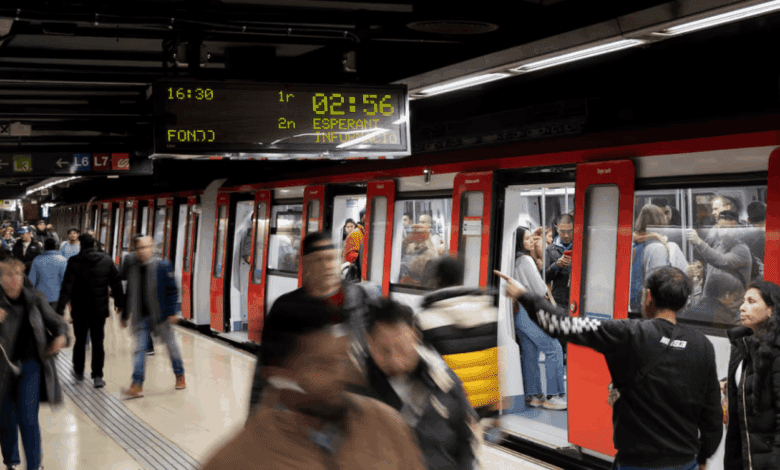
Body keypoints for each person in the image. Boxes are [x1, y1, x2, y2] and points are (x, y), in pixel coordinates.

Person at [496, 266, 723, 470]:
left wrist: (523, 295)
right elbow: (712, 413)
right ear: (684, 302)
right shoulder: (701, 345)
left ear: (649, 297)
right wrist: (703, 457)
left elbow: (561, 324)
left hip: (637, 462)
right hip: (686, 461)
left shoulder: (629, 333)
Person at [200, 299, 426, 470]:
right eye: (324, 365)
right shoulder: (238, 461)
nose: (346, 375)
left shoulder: (387, 424)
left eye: (344, 357)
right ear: (280, 377)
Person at [248, 231, 379, 413]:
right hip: (306, 409)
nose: (327, 265)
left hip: (354, 407)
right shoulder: (286, 309)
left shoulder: (359, 298)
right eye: (318, 260)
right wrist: (255, 415)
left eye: (331, 258)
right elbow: (265, 368)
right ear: (306, 265)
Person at [350, 296, 482, 470]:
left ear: (415, 337)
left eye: (402, 350)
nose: (396, 361)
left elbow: (467, 442)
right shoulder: (354, 388)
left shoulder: (444, 382)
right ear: (369, 342)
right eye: (384, 351)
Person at [0, 257, 69, 470]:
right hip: (2, 368)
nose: (15, 280)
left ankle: (34, 465)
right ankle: (11, 459)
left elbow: (57, 321)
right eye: (9, 275)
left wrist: (61, 335)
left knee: (28, 417)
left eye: (18, 275)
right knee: (5, 418)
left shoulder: (34, 299)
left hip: (31, 364)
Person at [119, 235, 185, 398]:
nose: (142, 251)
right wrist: (125, 315)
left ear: (152, 247)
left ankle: (179, 374)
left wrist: (172, 312)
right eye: (139, 248)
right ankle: (136, 385)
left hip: (161, 316)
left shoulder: (162, 265)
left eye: (145, 247)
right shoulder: (133, 268)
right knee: (139, 349)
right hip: (141, 316)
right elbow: (130, 293)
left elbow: (173, 290)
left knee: (172, 347)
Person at [56, 233, 125, 388]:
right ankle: (98, 376)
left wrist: (60, 309)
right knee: (98, 342)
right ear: (94, 243)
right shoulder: (106, 260)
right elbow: (116, 282)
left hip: (79, 308)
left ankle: (78, 371)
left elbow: (67, 287)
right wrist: (120, 303)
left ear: (81, 244)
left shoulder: (73, 261)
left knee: (80, 340)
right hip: (98, 309)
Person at [724, 281, 780, 469]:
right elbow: (747, 378)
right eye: (743, 301)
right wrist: (726, 385)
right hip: (740, 454)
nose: (742, 307)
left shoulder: (776, 351)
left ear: (771, 309)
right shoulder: (742, 345)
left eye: (751, 301)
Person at [513, 226, 567, 410]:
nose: (531, 241)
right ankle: (553, 396)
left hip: (518, 313)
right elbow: (540, 289)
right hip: (531, 311)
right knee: (554, 348)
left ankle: (534, 395)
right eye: (527, 238)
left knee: (530, 352)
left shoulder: (513, 261)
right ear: (519, 241)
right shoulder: (526, 260)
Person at [687, 210, 752, 312]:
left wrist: (699, 242)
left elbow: (721, 261)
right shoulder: (716, 245)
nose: (725, 232)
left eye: (729, 229)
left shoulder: (741, 249)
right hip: (712, 305)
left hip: (731, 309)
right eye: (722, 228)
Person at [630, 204, 688, 315]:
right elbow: (658, 284)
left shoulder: (634, 245)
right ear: (660, 222)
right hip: (651, 309)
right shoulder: (658, 248)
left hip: (635, 303)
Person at [677, 271, 743, 328]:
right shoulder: (725, 319)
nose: (734, 300)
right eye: (734, 296)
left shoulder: (688, 313)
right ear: (726, 295)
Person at [543, 214, 574, 309]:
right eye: (562, 232)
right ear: (557, 229)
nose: (566, 235)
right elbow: (543, 276)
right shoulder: (550, 249)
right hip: (559, 300)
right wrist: (556, 265)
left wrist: (574, 265)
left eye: (569, 231)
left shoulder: (581, 247)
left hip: (578, 297)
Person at [28, 238, 68, 311]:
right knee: (55, 319)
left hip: (40, 296)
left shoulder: (37, 260)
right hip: (57, 296)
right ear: (56, 247)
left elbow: (32, 280)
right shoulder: (63, 260)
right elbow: (65, 281)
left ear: (44, 247)